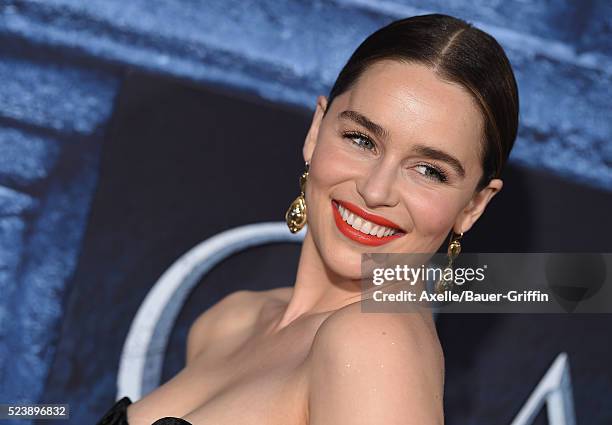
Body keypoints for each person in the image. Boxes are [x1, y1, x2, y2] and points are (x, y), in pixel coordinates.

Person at [96, 12, 519, 425]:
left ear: (473, 206)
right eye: (361, 139)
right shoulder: (231, 322)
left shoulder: (376, 346)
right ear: (316, 131)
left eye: (429, 170)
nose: (375, 191)